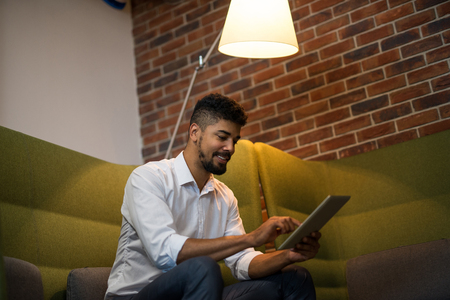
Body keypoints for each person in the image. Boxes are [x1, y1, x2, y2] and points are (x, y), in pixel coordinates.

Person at [105, 93, 321, 300]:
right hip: (137, 295)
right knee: (202, 267)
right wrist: (252, 238)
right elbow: (165, 254)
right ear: (194, 133)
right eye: (222, 137)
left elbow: (242, 262)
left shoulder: (225, 196)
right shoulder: (148, 178)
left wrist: (287, 255)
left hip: (196, 293)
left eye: (234, 140)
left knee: (296, 278)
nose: (230, 148)